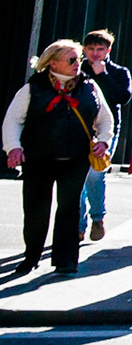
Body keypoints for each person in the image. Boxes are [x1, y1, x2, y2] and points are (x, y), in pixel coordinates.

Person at [3, 41, 115, 276]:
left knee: (69, 207)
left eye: (78, 60)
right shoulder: (32, 88)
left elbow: (105, 118)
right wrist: (13, 147)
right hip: (39, 158)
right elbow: (13, 119)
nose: (77, 65)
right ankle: (31, 256)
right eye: (71, 60)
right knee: (36, 209)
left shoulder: (89, 86)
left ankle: (65, 261)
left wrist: (104, 141)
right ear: (52, 62)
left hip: (75, 158)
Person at [77, 29, 132, 242]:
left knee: (95, 173)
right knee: (77, 178)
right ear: (84, 49)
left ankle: (97, 217)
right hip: (80, 129)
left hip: (106, 129)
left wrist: (102, 75)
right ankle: (79, 226)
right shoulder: (76, 68)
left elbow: (123, 97)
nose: (95, 54)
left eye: (100, 49)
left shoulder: (119, 72)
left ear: (108, 50)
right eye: (91, 49)